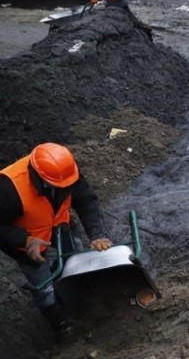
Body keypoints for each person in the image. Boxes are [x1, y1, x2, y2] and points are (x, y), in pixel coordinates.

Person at [0, 143, 112, 338]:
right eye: (60, 187)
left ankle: (81, 296)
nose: (67, 188)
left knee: (74, 259)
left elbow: (86, 201)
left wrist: (97, 234)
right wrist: (25, 241)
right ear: (40, 178)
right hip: (28, 243)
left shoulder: (66, 173)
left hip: (59, 225)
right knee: (43, 286)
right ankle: (60, 323)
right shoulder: (8, 190)